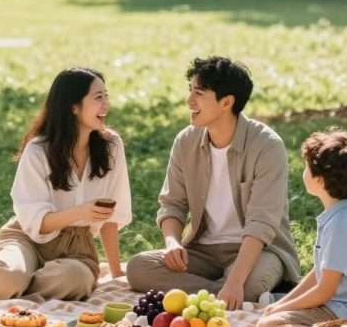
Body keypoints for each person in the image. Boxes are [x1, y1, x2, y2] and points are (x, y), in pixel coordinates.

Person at [126, 56, 300, 307]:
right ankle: (225, 294)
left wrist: (237, 280)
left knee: (249, 284)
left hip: (257, 250)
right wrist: (172, 243)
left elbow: (261, 224)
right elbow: (172, 203)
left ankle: (233, 288)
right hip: (201, 251)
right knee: (139, 268)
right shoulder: (186, 141)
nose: (189, 101)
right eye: (190, 91)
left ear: (226, 102)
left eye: (198, 94)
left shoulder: (267, 146)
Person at [0, 67, 132, 300]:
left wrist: (116, 274)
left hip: (77, 248)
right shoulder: (39, 150)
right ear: (73, 107)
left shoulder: (112, 147)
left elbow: (110, 219)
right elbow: (37, 223)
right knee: (9, 275)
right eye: (98, 97)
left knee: (74, 280)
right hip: (27, 237)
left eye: (106, 96)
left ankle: (13, 286)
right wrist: (82, 211)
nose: (106, 104)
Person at [256, 130, 347, 327]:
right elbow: (319, 273)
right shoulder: (339, 214)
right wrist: (284, 304)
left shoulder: (341, 225)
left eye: (306, 168)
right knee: (271, 318)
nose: (303, 172)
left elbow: (324, 290)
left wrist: (281, 309)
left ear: (321, 181)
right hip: (339, 306)